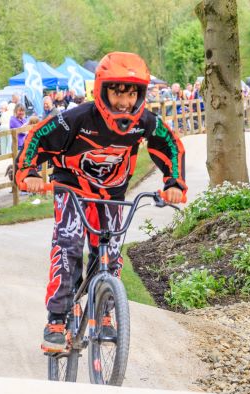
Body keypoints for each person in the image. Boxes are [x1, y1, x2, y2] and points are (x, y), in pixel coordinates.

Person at [15, 51, 186, 352]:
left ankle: (105, 310)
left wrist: (173, 183)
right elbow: (38, 138)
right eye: (116, 93)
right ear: (102, 90)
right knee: (68, 244)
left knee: (110, 251)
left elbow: (169, 143)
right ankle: (56, 320)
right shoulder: (76, 119)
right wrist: (28, 173)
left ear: (140, 94)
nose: (123, 103)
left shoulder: (144, 122)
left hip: (111, 193)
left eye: (131, 94)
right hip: (72, 186)